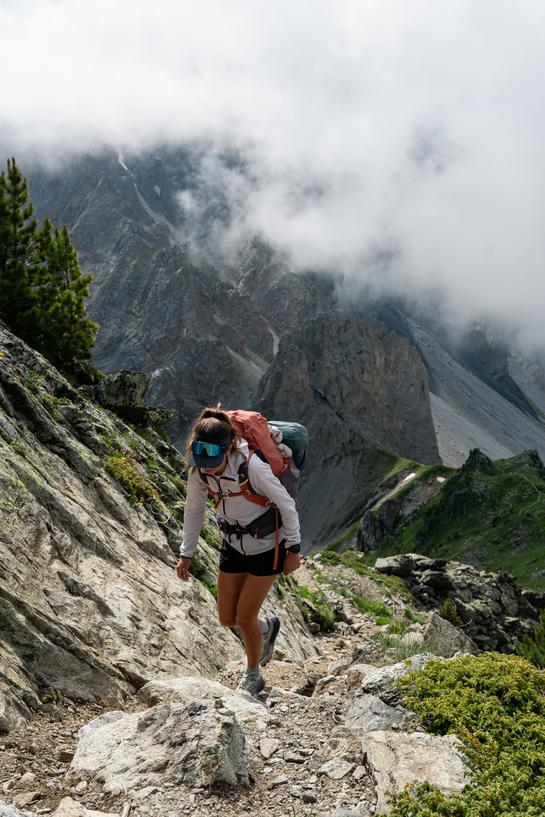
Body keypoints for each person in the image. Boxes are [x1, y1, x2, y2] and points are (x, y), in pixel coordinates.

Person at [176, 406, 302, 697]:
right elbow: (194, 510)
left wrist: (293, 548)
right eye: (202, 461)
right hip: (232, 543)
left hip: (267, 547)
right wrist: (187, 553)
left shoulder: (252, 467)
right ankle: (267, 628)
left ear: (229, 448)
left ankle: (253, 675)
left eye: (213, 461)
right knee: (226, 617)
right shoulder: (200, 470)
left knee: (244, 618)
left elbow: (286, 505)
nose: (206, 467)